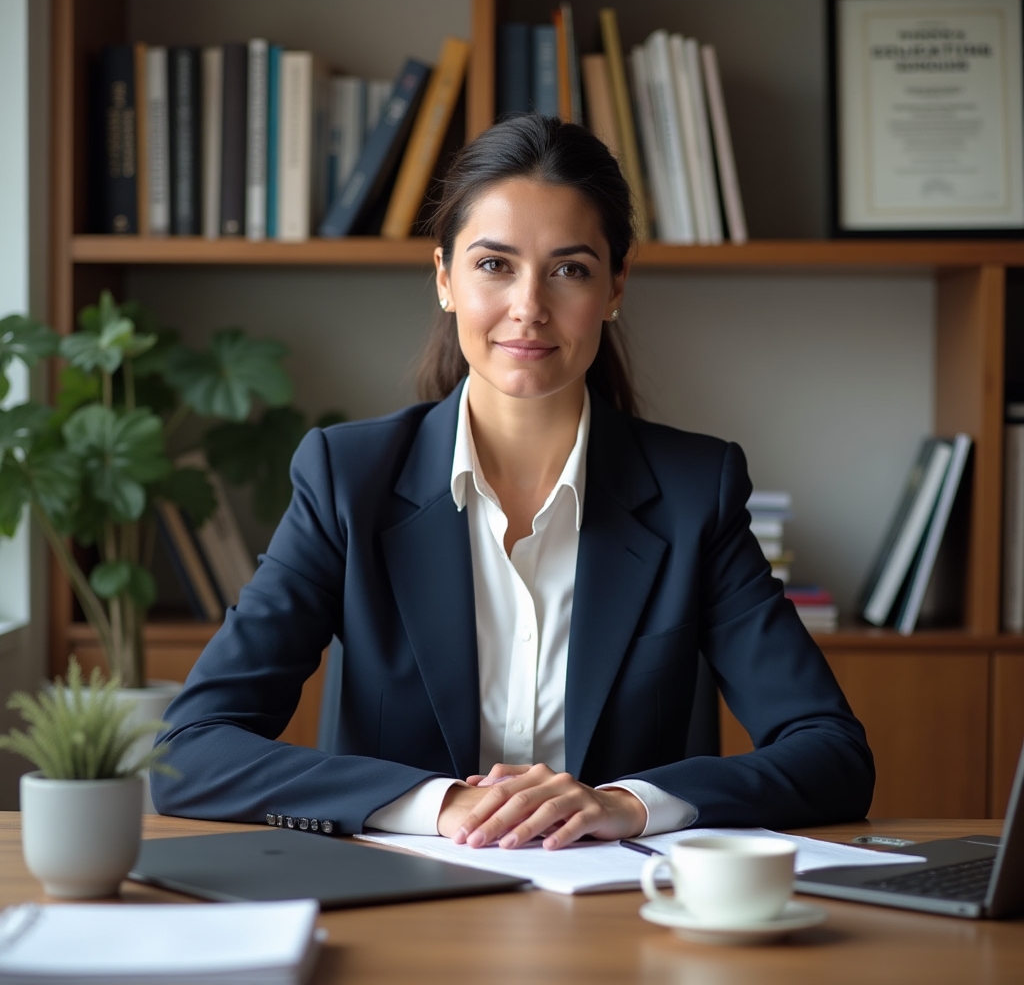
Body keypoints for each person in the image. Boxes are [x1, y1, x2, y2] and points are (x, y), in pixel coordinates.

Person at [153, 115, 873, 848]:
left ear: (615, 287)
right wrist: (437, 804)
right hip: (404, 913)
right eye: (494, 265)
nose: (529, 305)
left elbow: (831, 752)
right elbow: (191, 748)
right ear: (444, 279)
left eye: (569, 269)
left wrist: (628, 803)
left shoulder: (695, 493)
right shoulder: (350, 481)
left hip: (620, 915)